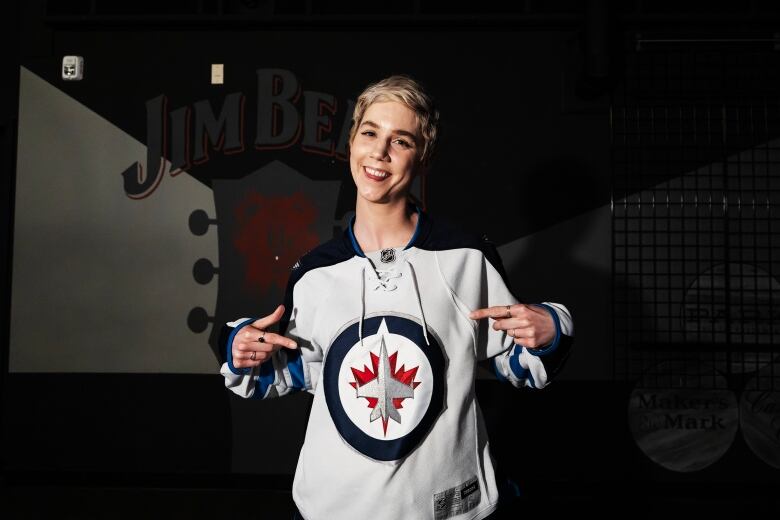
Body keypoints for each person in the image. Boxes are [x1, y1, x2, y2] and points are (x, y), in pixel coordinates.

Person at [220, 75, 574, 520]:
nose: (380, 152)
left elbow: (517, 362)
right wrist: (239, 347)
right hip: (332, 509)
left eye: (401, 140)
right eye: (370, 132)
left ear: (422, 156)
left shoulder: (464, 257)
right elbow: (287, 371)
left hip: (448, 510)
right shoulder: (315, 273)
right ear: (351, 141)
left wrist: (550, 327)